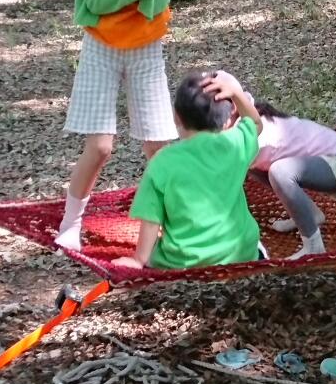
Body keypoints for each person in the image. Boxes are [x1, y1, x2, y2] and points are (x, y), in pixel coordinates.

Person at [55, 0, 179, 252]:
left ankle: (171, 224)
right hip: (102, 44)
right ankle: (71, 222)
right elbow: (94, 0)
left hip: (145, 44)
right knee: (101, 146)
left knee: (158, 144)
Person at [111, 71, 263, 270]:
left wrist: (138, 260)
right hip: (239, 255)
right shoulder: (234, 146)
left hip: (183, 263)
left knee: (157, 257)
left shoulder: (162, 161)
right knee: (258, 250)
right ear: (226, 120)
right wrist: (236, 93)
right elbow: (256, 123)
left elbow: (151, 219)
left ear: (176, 117)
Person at [248, 100, 336, 260]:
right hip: (329, 157)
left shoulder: (254, 137)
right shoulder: (247, 114)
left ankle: (314, 246)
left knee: (279, 172)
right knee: (256, 168)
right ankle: (312, 215)